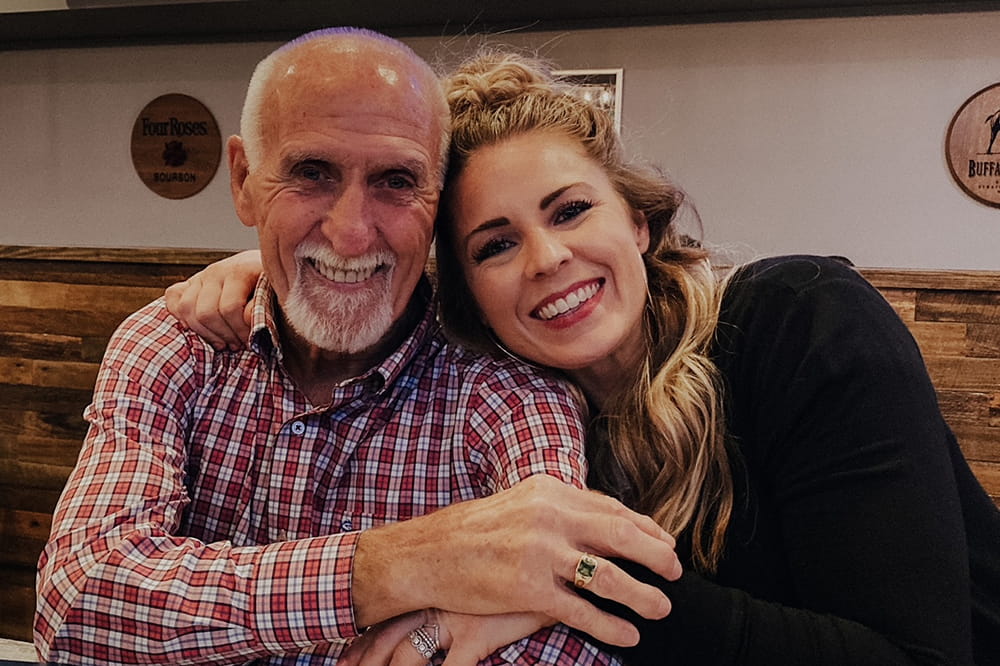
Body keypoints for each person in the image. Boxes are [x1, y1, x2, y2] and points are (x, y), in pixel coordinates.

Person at [173, 50, 1000, 665]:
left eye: (570, 211)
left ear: (637, 222)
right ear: (468, 293)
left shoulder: (799, 321)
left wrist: (556, 592)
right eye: (495, 245)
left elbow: (915, 659)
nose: (546, 259)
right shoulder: (517, 411)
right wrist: (265, 276)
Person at [34, 30, 688, 666]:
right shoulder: (178, 345)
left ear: (435, 209)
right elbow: (76, 601)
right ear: (243, 181)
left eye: (397, 182)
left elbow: (561, 629)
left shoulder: (506, 386)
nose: (350, 233)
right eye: (311, 173)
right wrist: (402, 564)